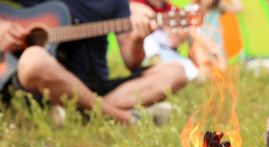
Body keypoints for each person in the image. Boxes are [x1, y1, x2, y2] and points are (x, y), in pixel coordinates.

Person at [0, 0, 188, 124]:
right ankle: (126, 118)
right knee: (34, 59)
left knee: (176, 71)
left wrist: (139, 38)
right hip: (38, 86)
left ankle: (77, 114)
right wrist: (5, 28)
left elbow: (132, 62)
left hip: (94, 84)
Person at [130, 0, 199, 81]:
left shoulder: (173, 10)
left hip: (166, 49)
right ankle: (155, 63)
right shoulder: (139, 3)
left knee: (189, 69)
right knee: (150, 38)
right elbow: (129, 9)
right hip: (143, 48)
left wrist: (177, 37)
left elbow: (180, 38)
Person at [189, 0, 243, 77]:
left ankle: (216, 74)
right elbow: (193, 30)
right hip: (202, 47)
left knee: (221, 71)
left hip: (217, 45)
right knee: (205, 69)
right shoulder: (191, 9)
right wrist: (212, 46)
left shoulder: (217, 7)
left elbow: (238, 8)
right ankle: (204, 72)